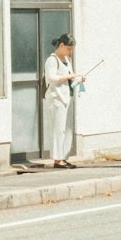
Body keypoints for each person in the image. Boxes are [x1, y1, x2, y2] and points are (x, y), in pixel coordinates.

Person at [43, 33, 84, 169]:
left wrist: (79, 79)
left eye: (71, 49)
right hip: (56, 98)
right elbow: (51, 78)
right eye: (68, 48)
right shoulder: (52, 60)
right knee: (57, 129)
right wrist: (69, 76)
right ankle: (57, 159)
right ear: (61, 45)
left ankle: (64, 157)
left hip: (67, 97)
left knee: (67, 129)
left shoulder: (67, 60)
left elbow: (71, 78)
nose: (70, 52)